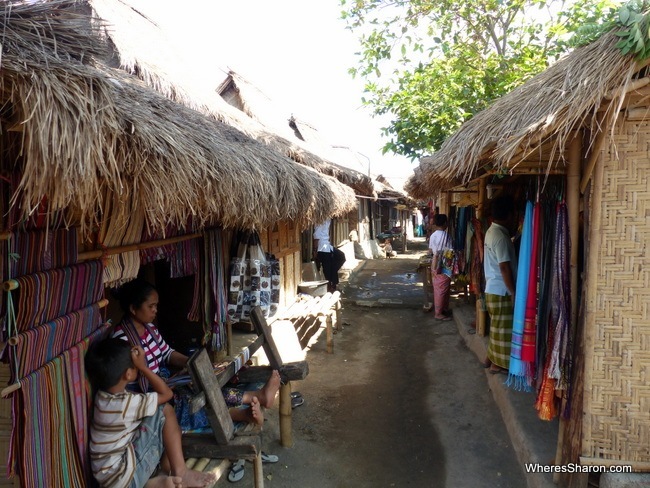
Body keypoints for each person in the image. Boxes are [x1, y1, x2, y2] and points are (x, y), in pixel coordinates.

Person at [112, 278, 281, 425]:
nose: (155, 310)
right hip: (148, 394)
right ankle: (250, 405)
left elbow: (167, 353)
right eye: (151, 306)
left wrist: (193, 363)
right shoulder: (122, 340)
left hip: (163, 383)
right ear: (133, 309)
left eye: (156, 305)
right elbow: (130, 380)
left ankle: (252, 402)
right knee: (190, 402)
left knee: (202, 386)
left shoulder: (150, 329)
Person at [85, 338, 216, 488]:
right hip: (125, 480)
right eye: (134, 365)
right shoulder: (126, 404)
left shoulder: (102, 399)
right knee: (164, 411)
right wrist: (144, 367)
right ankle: (180, 472)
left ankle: (156, 480)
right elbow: (166, 394)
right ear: (128, 374)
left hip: (111, 480)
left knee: (157, 420)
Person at [483, 195, 518, 375]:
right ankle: (498, 364)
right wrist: (513, 291)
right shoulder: (501, 237)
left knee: (497, 328)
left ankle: (490, 359)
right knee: (503, 330)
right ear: (509, 215)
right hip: (501, 290)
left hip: (493, 288)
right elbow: (504, 267)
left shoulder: (492, 231)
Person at [428, 214, 453, 321]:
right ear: (444, 223)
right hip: (444, 263)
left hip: (434, 262)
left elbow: (430, 250)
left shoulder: (433, 235)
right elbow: (450, 251)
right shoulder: (447, 236)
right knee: (442, 289)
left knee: (439, 287)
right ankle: (438, 313)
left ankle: (442, 309)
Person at [313, 219, 346, 293]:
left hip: (327, 245)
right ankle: (330, 286)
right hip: (322, 247)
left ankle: (332, 283)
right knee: (327, 268)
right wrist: (315, 250)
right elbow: (316, 236)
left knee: (341, 257)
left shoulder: (327, 219)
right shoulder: (319, 220)